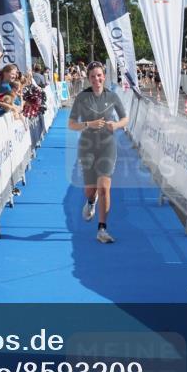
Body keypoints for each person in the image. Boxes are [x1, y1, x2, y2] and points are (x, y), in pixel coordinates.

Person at [67, 62, 129, 244]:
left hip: (107, 145)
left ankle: (102, 228)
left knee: (104, 187)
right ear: (88, 78)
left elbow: (125, 118)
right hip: (87, 146)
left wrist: (116, 125)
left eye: (99, 75)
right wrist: (88, 124)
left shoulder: (112, 96)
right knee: (90, 190)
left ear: (104, 76)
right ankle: (91, 201)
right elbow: (71, 125)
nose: (97, 79)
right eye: (93, 76)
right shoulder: (81, 97)